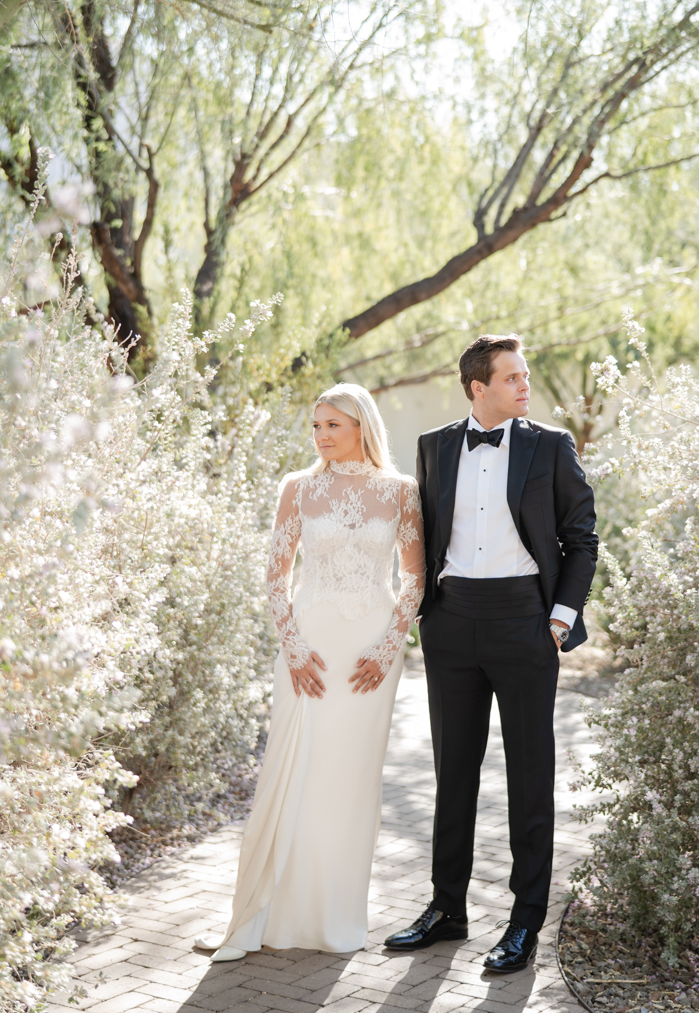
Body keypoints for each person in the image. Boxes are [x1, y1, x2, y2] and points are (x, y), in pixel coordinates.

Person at [384, 335, 597, 974]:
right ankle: (447, 908)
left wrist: (559, 619)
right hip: (451, 626)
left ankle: (525, 922)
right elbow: (420, 533)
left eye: (525, 377)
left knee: (530, 778)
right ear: (478, 387)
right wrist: (420, 611)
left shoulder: (551, 446)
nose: (524, 386)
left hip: (525, 626)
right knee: (454, 773)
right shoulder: (435, 446)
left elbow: (582, 540)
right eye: (512, 378)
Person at [195, 384, 424, 961]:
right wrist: (293, 646)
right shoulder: (297, 489)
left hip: (373, 648)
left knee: (350, 778)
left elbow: (413, 577)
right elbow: (276, 578)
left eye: (333, 426)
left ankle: (334, 915)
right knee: (294, 770)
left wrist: (391, 643)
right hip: (310, 645)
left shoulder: (401, 492)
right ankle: (269, 913)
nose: (321, 437)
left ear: (362, 428)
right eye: (316, 426)